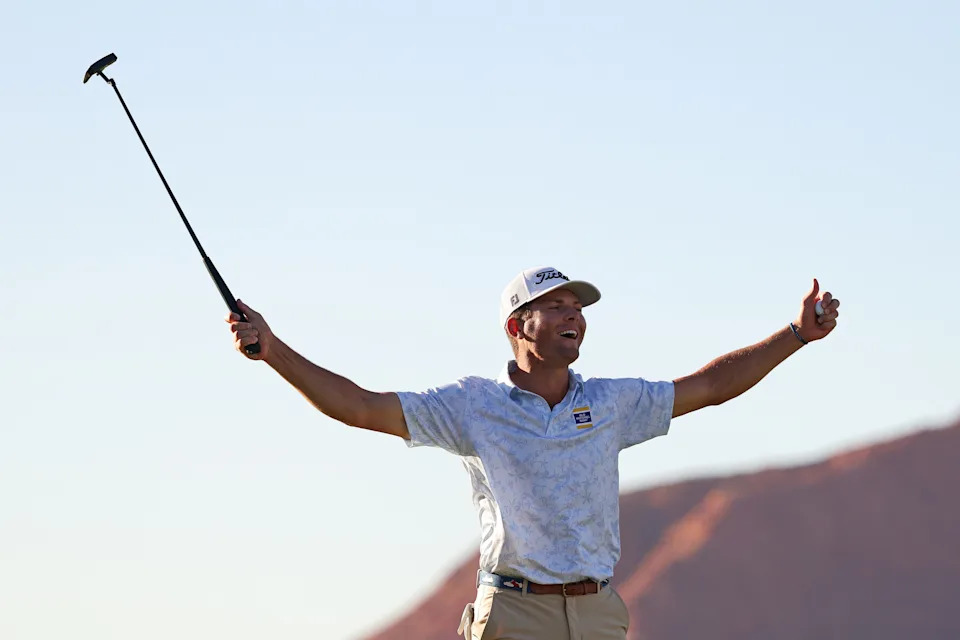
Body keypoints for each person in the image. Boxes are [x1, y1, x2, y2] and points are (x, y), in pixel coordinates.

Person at [226, 266, 840, 640]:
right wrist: (274, 349)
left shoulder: (611, 402)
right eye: (556, 305)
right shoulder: (471, 405)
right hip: (514, 617)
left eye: (578, 307)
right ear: (518, 327)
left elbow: (708, 387)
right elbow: (359, 407)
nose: (574, 314)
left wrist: (795, 336)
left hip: (598, 613)